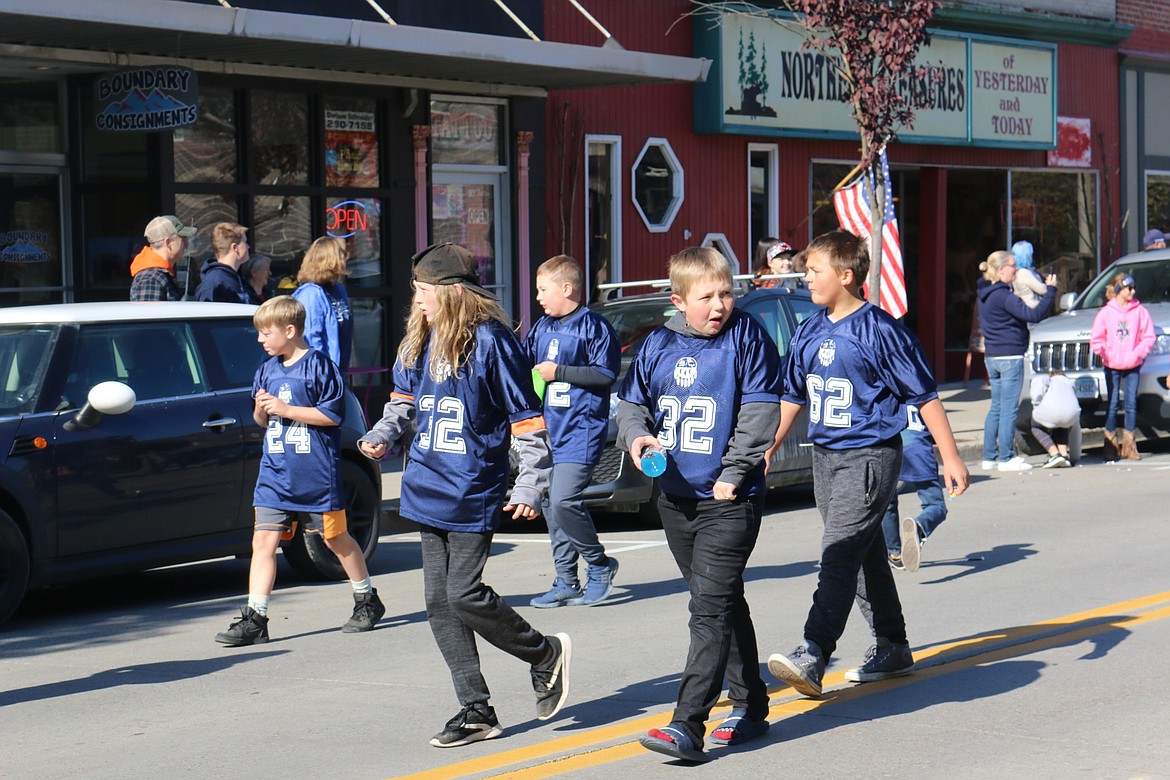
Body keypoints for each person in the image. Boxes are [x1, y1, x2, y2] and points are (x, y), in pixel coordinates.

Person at [357, 242, 571, 749]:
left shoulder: (493, 342)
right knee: (437, 601)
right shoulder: (417, 339)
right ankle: (475, 710)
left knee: (463, 594)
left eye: (425, 291)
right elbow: (403, 403)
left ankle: (543, 654)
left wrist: (530, 483)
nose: (418, 300)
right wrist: (383, 434)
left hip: (472, 486)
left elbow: (527, 421)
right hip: (425, 482)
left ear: (452, 292)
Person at [764, 229, 969, 699]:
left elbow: (925, 394)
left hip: (870, 455)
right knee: (863, 554)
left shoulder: (880, 329)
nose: (806, 277)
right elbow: (792, 394)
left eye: (815, 270)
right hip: (824, 458)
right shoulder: (809, 329)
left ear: (846, 276)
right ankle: (892, 645)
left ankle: (813, 651)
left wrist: (950, 457)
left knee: (838, 553)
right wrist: (769, 447)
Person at [617, 246, 780, 762]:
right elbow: (631, 404)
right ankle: (751, 705)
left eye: (726, 293)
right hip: (676, 501)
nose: (719, 305)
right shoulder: (656, 345)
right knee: (723, 601)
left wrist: (735, 473)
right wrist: (638, 439)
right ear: (678, 301)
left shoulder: (747, 337)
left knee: (707, 610)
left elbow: (759, 410)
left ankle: (687, 724)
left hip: (730, 500)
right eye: (706, 296)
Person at [214, 296, 385, 646]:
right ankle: (256, 617)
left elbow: (331, 417)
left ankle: (366, 599)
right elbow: (263, 419)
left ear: (290, 331)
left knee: (335, 538)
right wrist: (264, 411)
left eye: (266, 332)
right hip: (275, 472)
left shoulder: (320, 366)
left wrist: (285, 408)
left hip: (316, 475)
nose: (261, 339)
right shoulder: (266, 369)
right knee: (263, 540)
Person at [526, 255, 621, 608]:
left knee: (565, 500)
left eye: (543, 289)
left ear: (567, 288)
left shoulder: (593, 326)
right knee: (552, 506)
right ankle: (566, 579)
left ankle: (599, 566)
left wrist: (560, 372)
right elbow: (526, 371)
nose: (538, 297)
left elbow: (605, 374)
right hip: (548, 430)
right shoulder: (541, 327)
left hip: (581, 431)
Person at [976, 250, 1057, 472]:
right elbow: (1034, 314)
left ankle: (989, 457)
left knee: (997, 407)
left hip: (992, 356)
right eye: (1013, 265)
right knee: (1009, 408)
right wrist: (1050, 291)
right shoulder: (1004, 296)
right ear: (1001, 270)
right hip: (1010, 356)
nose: (1016, 270)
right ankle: (1006, 458)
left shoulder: (985, 294)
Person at [1091, 272, 1155, 461]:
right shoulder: (1106, 313)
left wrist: (1137, 353)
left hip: (1133, 363)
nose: (1133, 291)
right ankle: (1110, 445)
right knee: (1112, 404)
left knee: (1131, 404)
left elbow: (1148, 336)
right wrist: (1107, 354)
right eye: (1129, 288)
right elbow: (1097, 339)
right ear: (1119, 290)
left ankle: (1130, 446)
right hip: (1112, 365)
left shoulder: (1140, 311)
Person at [882, 404, 948, 574]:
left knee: (888, 503)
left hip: (890, 446)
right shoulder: (921, 388)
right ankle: (920, 526)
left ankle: (895, 553)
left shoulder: (886, 387)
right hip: (918, 450)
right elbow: (937, 421)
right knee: (936, 505)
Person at [292, 236, 353, 371]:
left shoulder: (339, 289)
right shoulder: (310, 294)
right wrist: (322, 372)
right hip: (320, 373)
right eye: (342, 254)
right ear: (330, 259)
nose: (345, 258)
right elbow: (311, 337)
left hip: (338, 371)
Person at [130, 215, 196, 301]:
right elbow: (150, 314)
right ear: (168, 243)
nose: (187, 245)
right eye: (183, 239)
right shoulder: (151, 278)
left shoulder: (157, 275)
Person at [1029, 370, 1081, 468]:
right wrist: (1075, 457)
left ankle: (1054, 454)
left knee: (1035, 426)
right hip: (1072, 414)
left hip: (1052, 412)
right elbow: (1076, 433)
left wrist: (1036, 405)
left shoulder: (1046, 378)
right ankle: (1064, 455)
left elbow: (1036, 393)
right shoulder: (1069, 383)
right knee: (1063, 425)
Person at [195, 222, 250, 303]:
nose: (248, 246)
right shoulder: (214, 284)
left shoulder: (234, 277)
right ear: (235, 248)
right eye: (245, 242)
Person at [1009, 240, 1049, 309]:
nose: (1032, 255)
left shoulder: (1017, 271)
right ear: (1026, 255)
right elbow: (1042, 290)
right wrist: (1050, 285)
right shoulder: (1024, 273)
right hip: (1031, 307)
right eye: (1030, 253)